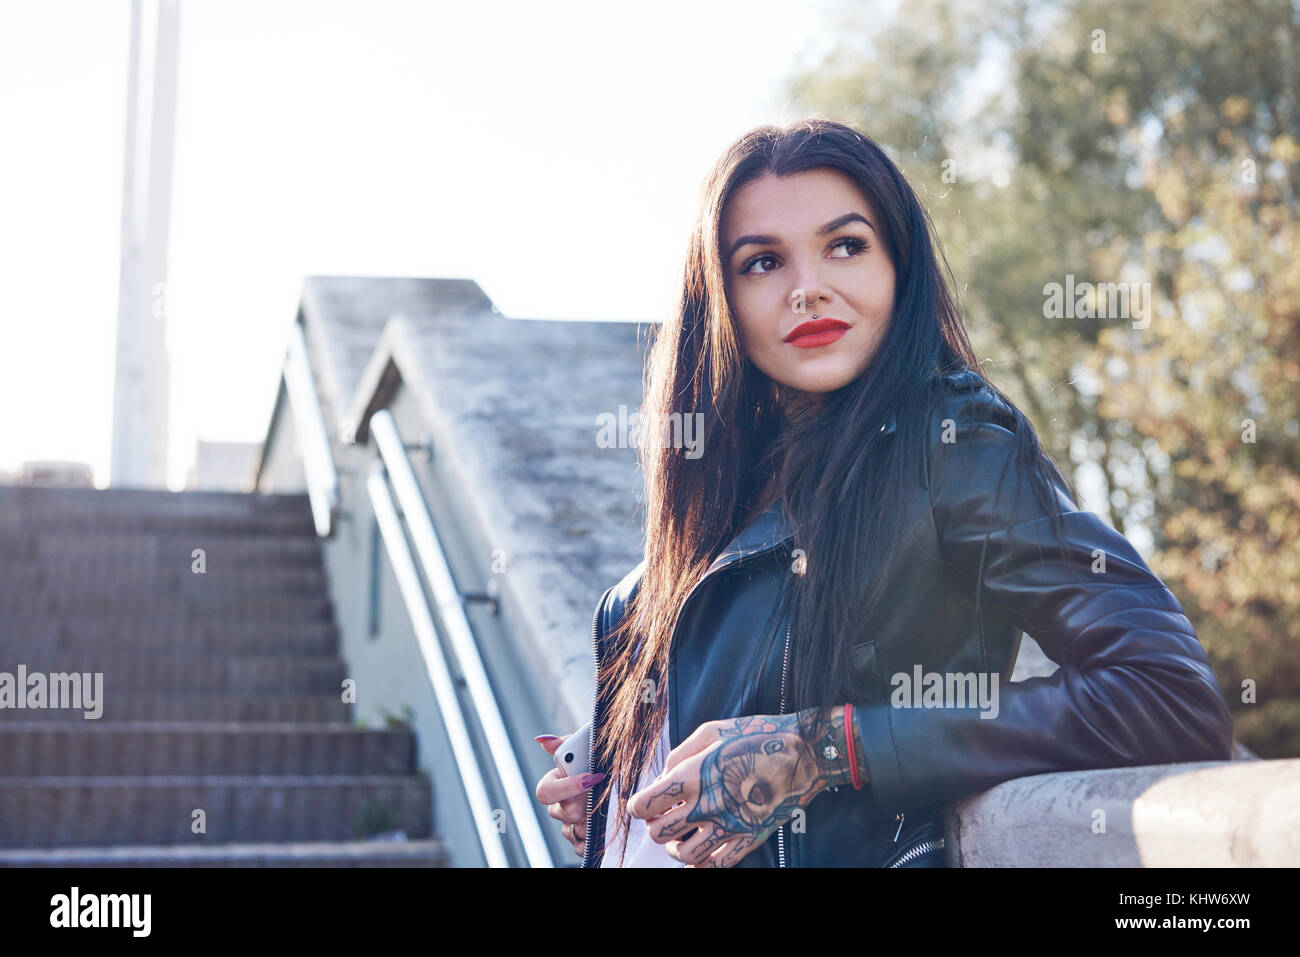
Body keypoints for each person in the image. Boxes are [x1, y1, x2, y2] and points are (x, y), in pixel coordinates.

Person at [533, 116, 1235, 868]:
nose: (810, 290)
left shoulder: (953, 445)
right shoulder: (702, 513)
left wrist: (830, 747)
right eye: (763, 261)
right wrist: (628, 767)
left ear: (898, 267)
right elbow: (737, 707)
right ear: (721, 299)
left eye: (846, 246)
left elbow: (1166, 694)